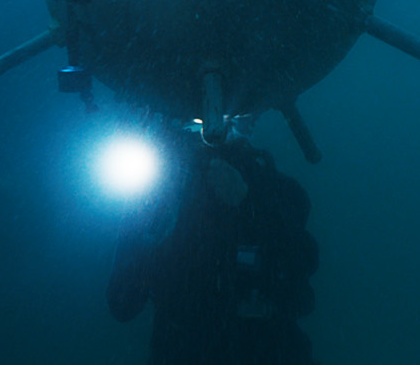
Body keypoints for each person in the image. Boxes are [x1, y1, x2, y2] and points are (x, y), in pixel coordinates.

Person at [106, 119, 320, 365]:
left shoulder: (277, 191)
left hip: (261, 348)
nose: (209, 135)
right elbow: (122, 304)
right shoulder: (162, 199)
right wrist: (141, 220)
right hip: (186, 348)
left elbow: (303, 278)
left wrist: (248, 202)